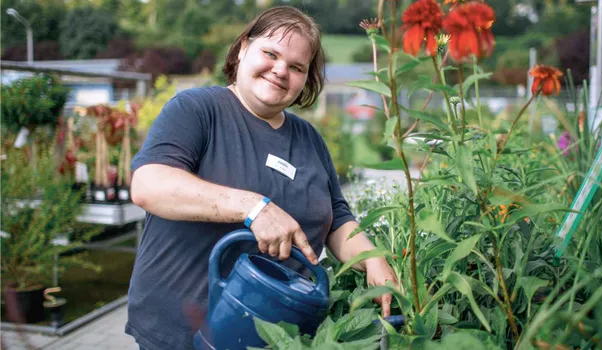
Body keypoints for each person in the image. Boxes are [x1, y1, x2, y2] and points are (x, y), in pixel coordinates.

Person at [126, 6, 398, 350]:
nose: (281, 71)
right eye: (270, 53)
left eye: (297, 67)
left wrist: (372, 258)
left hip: (276, 334)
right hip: (181, 333)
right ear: (243, 49)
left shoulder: (309, 139)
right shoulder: (197, 109)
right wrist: (253, 207)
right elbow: (149, 184)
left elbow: (337, 220)